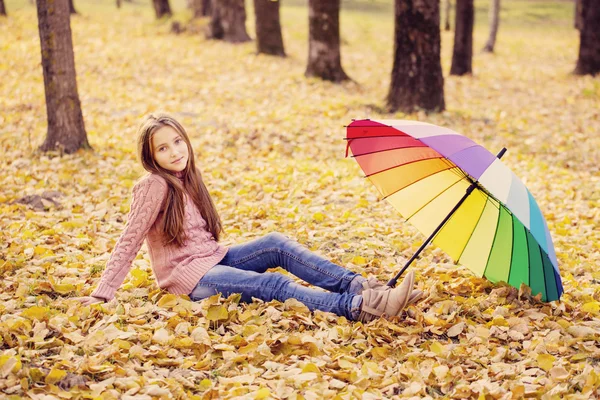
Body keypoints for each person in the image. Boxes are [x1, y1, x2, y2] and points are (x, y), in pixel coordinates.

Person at [73, 112, 423, 322]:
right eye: (162, 148)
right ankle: (361, 307)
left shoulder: (187, 178)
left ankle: (363, 286)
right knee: (272, 285)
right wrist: (104, 293)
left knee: (276, 245)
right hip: (188, 280)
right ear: (151, 156)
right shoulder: (153, 185)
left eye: (177, 142)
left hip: (213, 259)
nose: (174, 151)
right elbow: (130, 237)